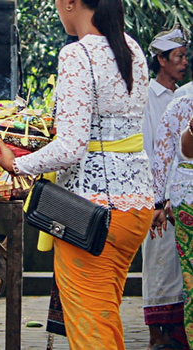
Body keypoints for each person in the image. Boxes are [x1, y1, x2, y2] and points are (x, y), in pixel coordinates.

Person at [0, 0, 153, 348]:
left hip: (92, 214)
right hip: (135, 207)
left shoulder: (79, 55)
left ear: (70, 3)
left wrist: (16, 165)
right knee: (103, 315)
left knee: (92, 329)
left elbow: (71, 147)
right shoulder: (131, 48)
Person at [142, 25, 189, 350]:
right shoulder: (147, 96)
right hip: (157, 192)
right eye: (178, 56)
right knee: (158, 262)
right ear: (160, 59)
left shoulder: (184, 95)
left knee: (180, 265)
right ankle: (156, 333)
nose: (184, 62)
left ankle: (177, 331)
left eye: (185, 56)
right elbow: (149, 148)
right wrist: (158, 196)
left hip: (183, 192)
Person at [151, 88, 193, 348]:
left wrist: (158, 201)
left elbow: (164, 158)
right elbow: (175, 154)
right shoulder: (182, 105)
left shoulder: (181, 103)